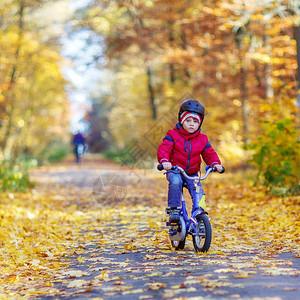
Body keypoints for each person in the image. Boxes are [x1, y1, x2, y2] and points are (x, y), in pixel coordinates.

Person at [157, 99, 224, 224]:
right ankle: (174, 210)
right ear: (182, 121)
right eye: (188, 121)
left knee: (199, 190)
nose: (191, 124)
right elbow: (164, 149)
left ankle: (200, 214)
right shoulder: (172, 135)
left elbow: (209, 153)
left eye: (195, 121)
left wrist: (216, 164)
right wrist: (165, 161)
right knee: (175, 181)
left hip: (192, 173)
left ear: (200, 123)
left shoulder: (202, 139)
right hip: (175, 170)